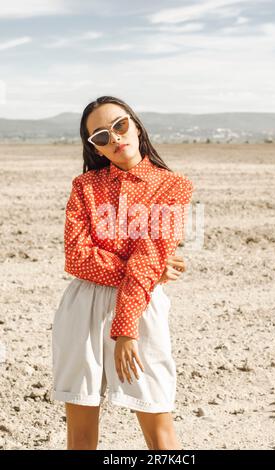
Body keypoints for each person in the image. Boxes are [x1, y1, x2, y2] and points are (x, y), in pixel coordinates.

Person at [51, 95, 194, 450]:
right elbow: (76, 257)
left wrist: (126, 330)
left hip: (142, 309)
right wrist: (147, 267)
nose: (114, 138)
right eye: (100, 136)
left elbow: (148, 258)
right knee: (80, 437)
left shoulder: (173, 187)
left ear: (136, 125)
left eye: (119, 125)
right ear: (95, 148)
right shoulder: (84, 187)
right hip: (81, 307)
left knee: (159, 428)